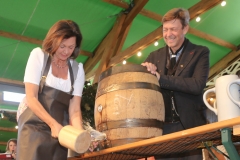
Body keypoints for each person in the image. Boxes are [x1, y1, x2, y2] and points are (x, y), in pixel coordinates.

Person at [141, 8, 210, 160]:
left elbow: (197, 85)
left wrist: (160, 78)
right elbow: (144, 87)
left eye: (173, 29)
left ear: (185, 28)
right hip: (163, 129)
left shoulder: (201, 53)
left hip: (190, 128)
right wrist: (146, 70)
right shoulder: (154, 56)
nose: (168, 34)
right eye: (165, 30)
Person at [17, 20, 87, 160]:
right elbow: (31, 97)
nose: (66, 51)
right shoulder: (39, 56)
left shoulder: (77, 70)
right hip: (33, 127)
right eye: (62, 46)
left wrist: (80, 135)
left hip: (60, 133)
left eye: (71, 47)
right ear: (53, 40)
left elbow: (74, 110)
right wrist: (53, 124)